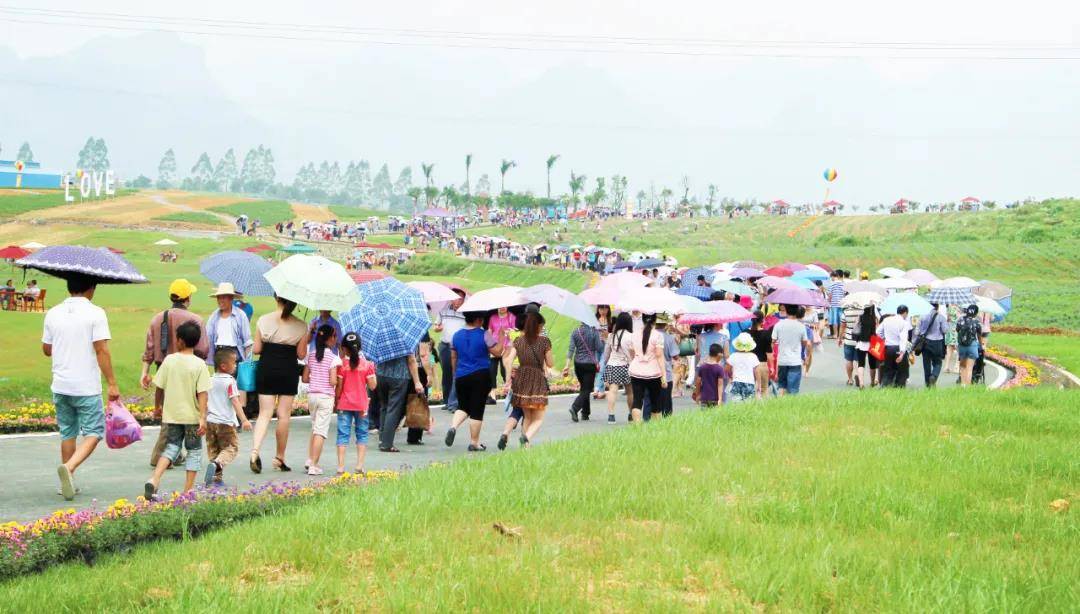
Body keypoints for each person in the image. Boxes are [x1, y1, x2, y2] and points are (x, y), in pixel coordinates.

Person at [43, 274, 120, 501]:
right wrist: (113, 383)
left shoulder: (53, 312)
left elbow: (46, 349)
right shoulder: (96, 313)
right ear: (91, 288)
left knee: (68, 432)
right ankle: (70, 468)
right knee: (94, 432)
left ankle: (67, 483)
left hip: (61, 384)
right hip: (85, 385)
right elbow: (101, 350)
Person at [141, 279, 210, 468]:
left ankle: (174, 453)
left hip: (164, 369)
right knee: (188, 413)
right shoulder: (195, 320)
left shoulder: (157, 318)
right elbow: (203, 349)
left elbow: (149, 348)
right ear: (187, 298)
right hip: (189, 371)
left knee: (169, 413)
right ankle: (161, 455)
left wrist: (144, 372)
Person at [144, 321, 210, 500]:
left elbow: (159, 387)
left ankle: (155, 478)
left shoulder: (169, 360)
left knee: (172, 447)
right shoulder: (199, 364)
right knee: (194, 451)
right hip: (192, 416)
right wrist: (203, 417)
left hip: (171, 415)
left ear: (179, 340)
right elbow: (202, 393)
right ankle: (188, 491)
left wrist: (158, 408)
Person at [250, 295, 309, 473]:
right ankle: (279, 458)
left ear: (277, 298)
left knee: (264, 413)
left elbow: (256, 349)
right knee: (283, 415)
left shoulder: (264, 320)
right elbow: (300, 354)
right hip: (288, 370)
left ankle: (254, 452)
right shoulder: (301, 325)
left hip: (267, 367)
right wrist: (306, 335)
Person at [445, 311, 504, 451]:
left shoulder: (456, 335)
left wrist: (455, 373)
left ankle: (453, 427)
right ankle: (474, 442)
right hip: (480, 375)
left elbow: (453, 357)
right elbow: (497, 352)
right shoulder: (483, 334)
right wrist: (501, 337)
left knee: (463, 406)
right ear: (478, 319)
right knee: (477, 409)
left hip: (461, 376)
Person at [503, 312, 554, 447]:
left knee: (528, 416)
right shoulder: (544, 341)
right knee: (538, 418)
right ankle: (526, 438)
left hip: (521, 378)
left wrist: (508, 380)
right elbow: (550, 364)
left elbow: (509, 360)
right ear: (537, 326)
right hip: (537, 379)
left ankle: (525, 446)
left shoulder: (518, 341)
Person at [204, 349, 252, 486]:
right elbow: (235, 401)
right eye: (234, 362)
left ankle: (216, 479)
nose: (236, 365)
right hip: (225, 423)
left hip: (210, 422)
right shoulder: (230, 381)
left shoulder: (210, 380)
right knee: (231, 448)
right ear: (224, 366)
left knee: (214, 450)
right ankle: (217, 465)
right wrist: (244, 420)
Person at [205, 283, 253, 411]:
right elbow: (208, 338)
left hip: (235, 353)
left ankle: (237, 415)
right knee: (220, 385)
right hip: (219, 352)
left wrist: (247, 362)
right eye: (219, 298)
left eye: (224, 297)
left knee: (235, 386)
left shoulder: (240, 315)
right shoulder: (214, 317)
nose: (220, 300)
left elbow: (247, 340)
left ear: (231, 298)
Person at [335, 333, 377, 474]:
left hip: (345, 404)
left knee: (342, 434)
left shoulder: (342, 365)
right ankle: (359, 465)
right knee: (362, 434)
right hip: (361, 405)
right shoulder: (367, 365)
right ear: (360, 347)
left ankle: (341, 467)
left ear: (344, 349)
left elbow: (339, 387)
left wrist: (337, 400)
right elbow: (372, 386)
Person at [302, 325, 340, 475]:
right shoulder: (333, 358)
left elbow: (305, 378)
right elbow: (332, 381)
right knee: (321, 431)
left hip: (312, 396)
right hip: (325, 397)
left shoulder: (311, 355)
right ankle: (314, 464)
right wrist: (337, 380)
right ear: (330, 338)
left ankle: (309, 458)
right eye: (335, 336)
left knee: (314, 428)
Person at [374, 346, 424, 453]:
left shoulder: (381, 338)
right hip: (399, 375)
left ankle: (382, 439)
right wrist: (417, 382)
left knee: (384, 407)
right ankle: (387, 443)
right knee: (393, 409)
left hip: (381, 374)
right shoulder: (404, 340)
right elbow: (411, 360)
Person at [627, 313, 666, 422]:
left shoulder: (634, 334)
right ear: (655, 320)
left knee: (637, 400)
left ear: (642, 320)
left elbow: (631, 352)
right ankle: (655, 428)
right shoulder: (658, 335)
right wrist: (664, 376)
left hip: (636, 371)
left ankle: (637, 427)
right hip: (653, 372)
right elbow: (659, 356)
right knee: (655, 401)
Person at [434, 289, 466, 412]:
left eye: (461, 299)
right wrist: (438, 328)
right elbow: (436, 326)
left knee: (457, 373)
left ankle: (456, 401)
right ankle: (447, 400)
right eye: (456, 298)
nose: (458, 301)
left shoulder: (466, 313)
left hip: (459, 347)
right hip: (445, 345)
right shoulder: (443, 311)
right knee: (446, 373)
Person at [564, 319, 603, 422]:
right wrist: (601, 338)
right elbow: (599, 348)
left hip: (578, 364)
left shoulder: (575, 331)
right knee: (587, 389)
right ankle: (575, 407)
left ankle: (585, 413)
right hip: (590, 364)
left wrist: (567, 365)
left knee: (584, 388)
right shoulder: (594, 332)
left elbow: (571, 349)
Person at [602, 312, 635, 423]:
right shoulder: (631, 336)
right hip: (627, 366)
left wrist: (606, 363)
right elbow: (633, 354)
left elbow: (607, 353)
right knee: (630, 391)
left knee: (612, 390)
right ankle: (631, 414)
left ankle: (611, 416)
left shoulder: (611, 336)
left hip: (613, 365)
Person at [772, 304, 811, 396]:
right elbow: (806, 343)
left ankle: (781, 406)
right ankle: (790, 407)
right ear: (797, 311)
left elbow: (773, 341)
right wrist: (807, 356)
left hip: (782, 360)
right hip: (795, 361)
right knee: (793, 390)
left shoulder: (778, 324)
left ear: (786, 311)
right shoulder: (801, 326)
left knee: (782, 386)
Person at [877, 306, 912, 388]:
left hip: (888, 348)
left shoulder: (887, 320)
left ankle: (884, 387)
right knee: (902, 371)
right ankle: (899, 388)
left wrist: (884, 338)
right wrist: (902, 353)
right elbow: (903, 339)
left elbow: (878, 331)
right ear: (905, 313)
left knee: (888, 370)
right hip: (898, 348)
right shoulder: (904, 323)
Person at [487, 306, 516, 404]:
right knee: (491, 370)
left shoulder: (511, 317)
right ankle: (492, 395)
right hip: (494, 347)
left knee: (505, 370)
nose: (502, 308)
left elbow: (515, 331)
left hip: (507, 346)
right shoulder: (492, 317)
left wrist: (508, 332)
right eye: (500, 306)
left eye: (504, 306)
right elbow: (490, 331)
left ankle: (509, 393)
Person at [916, 304, 948, 387]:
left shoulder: (922, 316)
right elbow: (945, 330)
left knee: (926, 363)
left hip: (925, 342)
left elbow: (917, 332)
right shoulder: (941, 317)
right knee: (938, 362)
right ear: (937, 307)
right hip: (937, 342)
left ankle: (927, 383)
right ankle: (933, 376)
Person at [655, 314, 681, 417]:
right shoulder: (669, 338)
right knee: (666, 399)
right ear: (665, 324)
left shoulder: (650, 336)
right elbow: (675, 356)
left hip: (651, 371)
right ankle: (667, 419)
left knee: (653, 399)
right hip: (666, 372)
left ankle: (650, 419)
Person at [837, 299, 864, 386]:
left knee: (849, 360)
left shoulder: (845, 312)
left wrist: (840, 338)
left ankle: (850, 379)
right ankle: (857, 375)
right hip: (859, 340)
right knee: (858, 360)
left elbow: (842, 327)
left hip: (848, 340)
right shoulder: (862, 312)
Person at [956, 304, 984, 386]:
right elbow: (979, 335)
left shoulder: (961, 319)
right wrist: (981, 345)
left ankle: (963, 384)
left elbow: (957, 330)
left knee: (963, 366)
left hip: (962, 345)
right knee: (969, 368)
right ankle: (968, 386)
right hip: (972, 345)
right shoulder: (976, 322)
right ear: (975, 313)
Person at [728, 333, 760, 402]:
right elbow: (757, 372)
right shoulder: (753, 356)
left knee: (736, 403)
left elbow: (727, 369)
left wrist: (730, 376)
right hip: (749, 382)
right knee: (748, 404)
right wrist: (758, 384)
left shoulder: (733, 356)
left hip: (736, 382)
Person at [853, 305, 880, 388]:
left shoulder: (860, 317)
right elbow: (877, 330)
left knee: (861, 363)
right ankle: (872, 382)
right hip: (872, 342)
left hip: (861, 342)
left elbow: (855, 328)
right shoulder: (874, 318)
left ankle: (861, 383)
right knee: (872, 364)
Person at [747, 312, 772, 397]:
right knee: (763, 389)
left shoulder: (745, 332)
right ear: (762, 321)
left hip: (748, 364)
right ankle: (763, 409)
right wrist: (771, 366)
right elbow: (769, 353)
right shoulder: (767, 334)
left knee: (749, 390)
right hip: (762, 364)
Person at [693, 343, 725, 407]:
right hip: (715, 399)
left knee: (704, 416)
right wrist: (720, 399)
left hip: (704, 398)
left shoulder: (702, 367)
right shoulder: (720, 368)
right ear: (719, 355)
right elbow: (720, 385)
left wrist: (697, 394)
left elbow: (698, 382)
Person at [592, 305, 612, 399]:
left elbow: (613, 335)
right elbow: (591, 334)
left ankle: (596, 388)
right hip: (596, 347)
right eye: (601, 309)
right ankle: (602, 391)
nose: (603, 311)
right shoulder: (595, 321)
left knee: (602, 366)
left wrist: (607, 335)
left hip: (606, 347)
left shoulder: (611, 321)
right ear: (598, 309)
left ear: (608, 309)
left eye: (605, 308)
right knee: (598, 368)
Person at [827, 272, 846, 338]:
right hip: (841, 304)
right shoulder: (843, 284)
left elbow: (829, 295)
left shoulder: (832, 284)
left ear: (833, 276)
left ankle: (835, 334)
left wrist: (828, 302)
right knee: (841, 319)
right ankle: (841, 334)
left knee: (834, 319)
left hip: (834, 304)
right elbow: (844, 294)